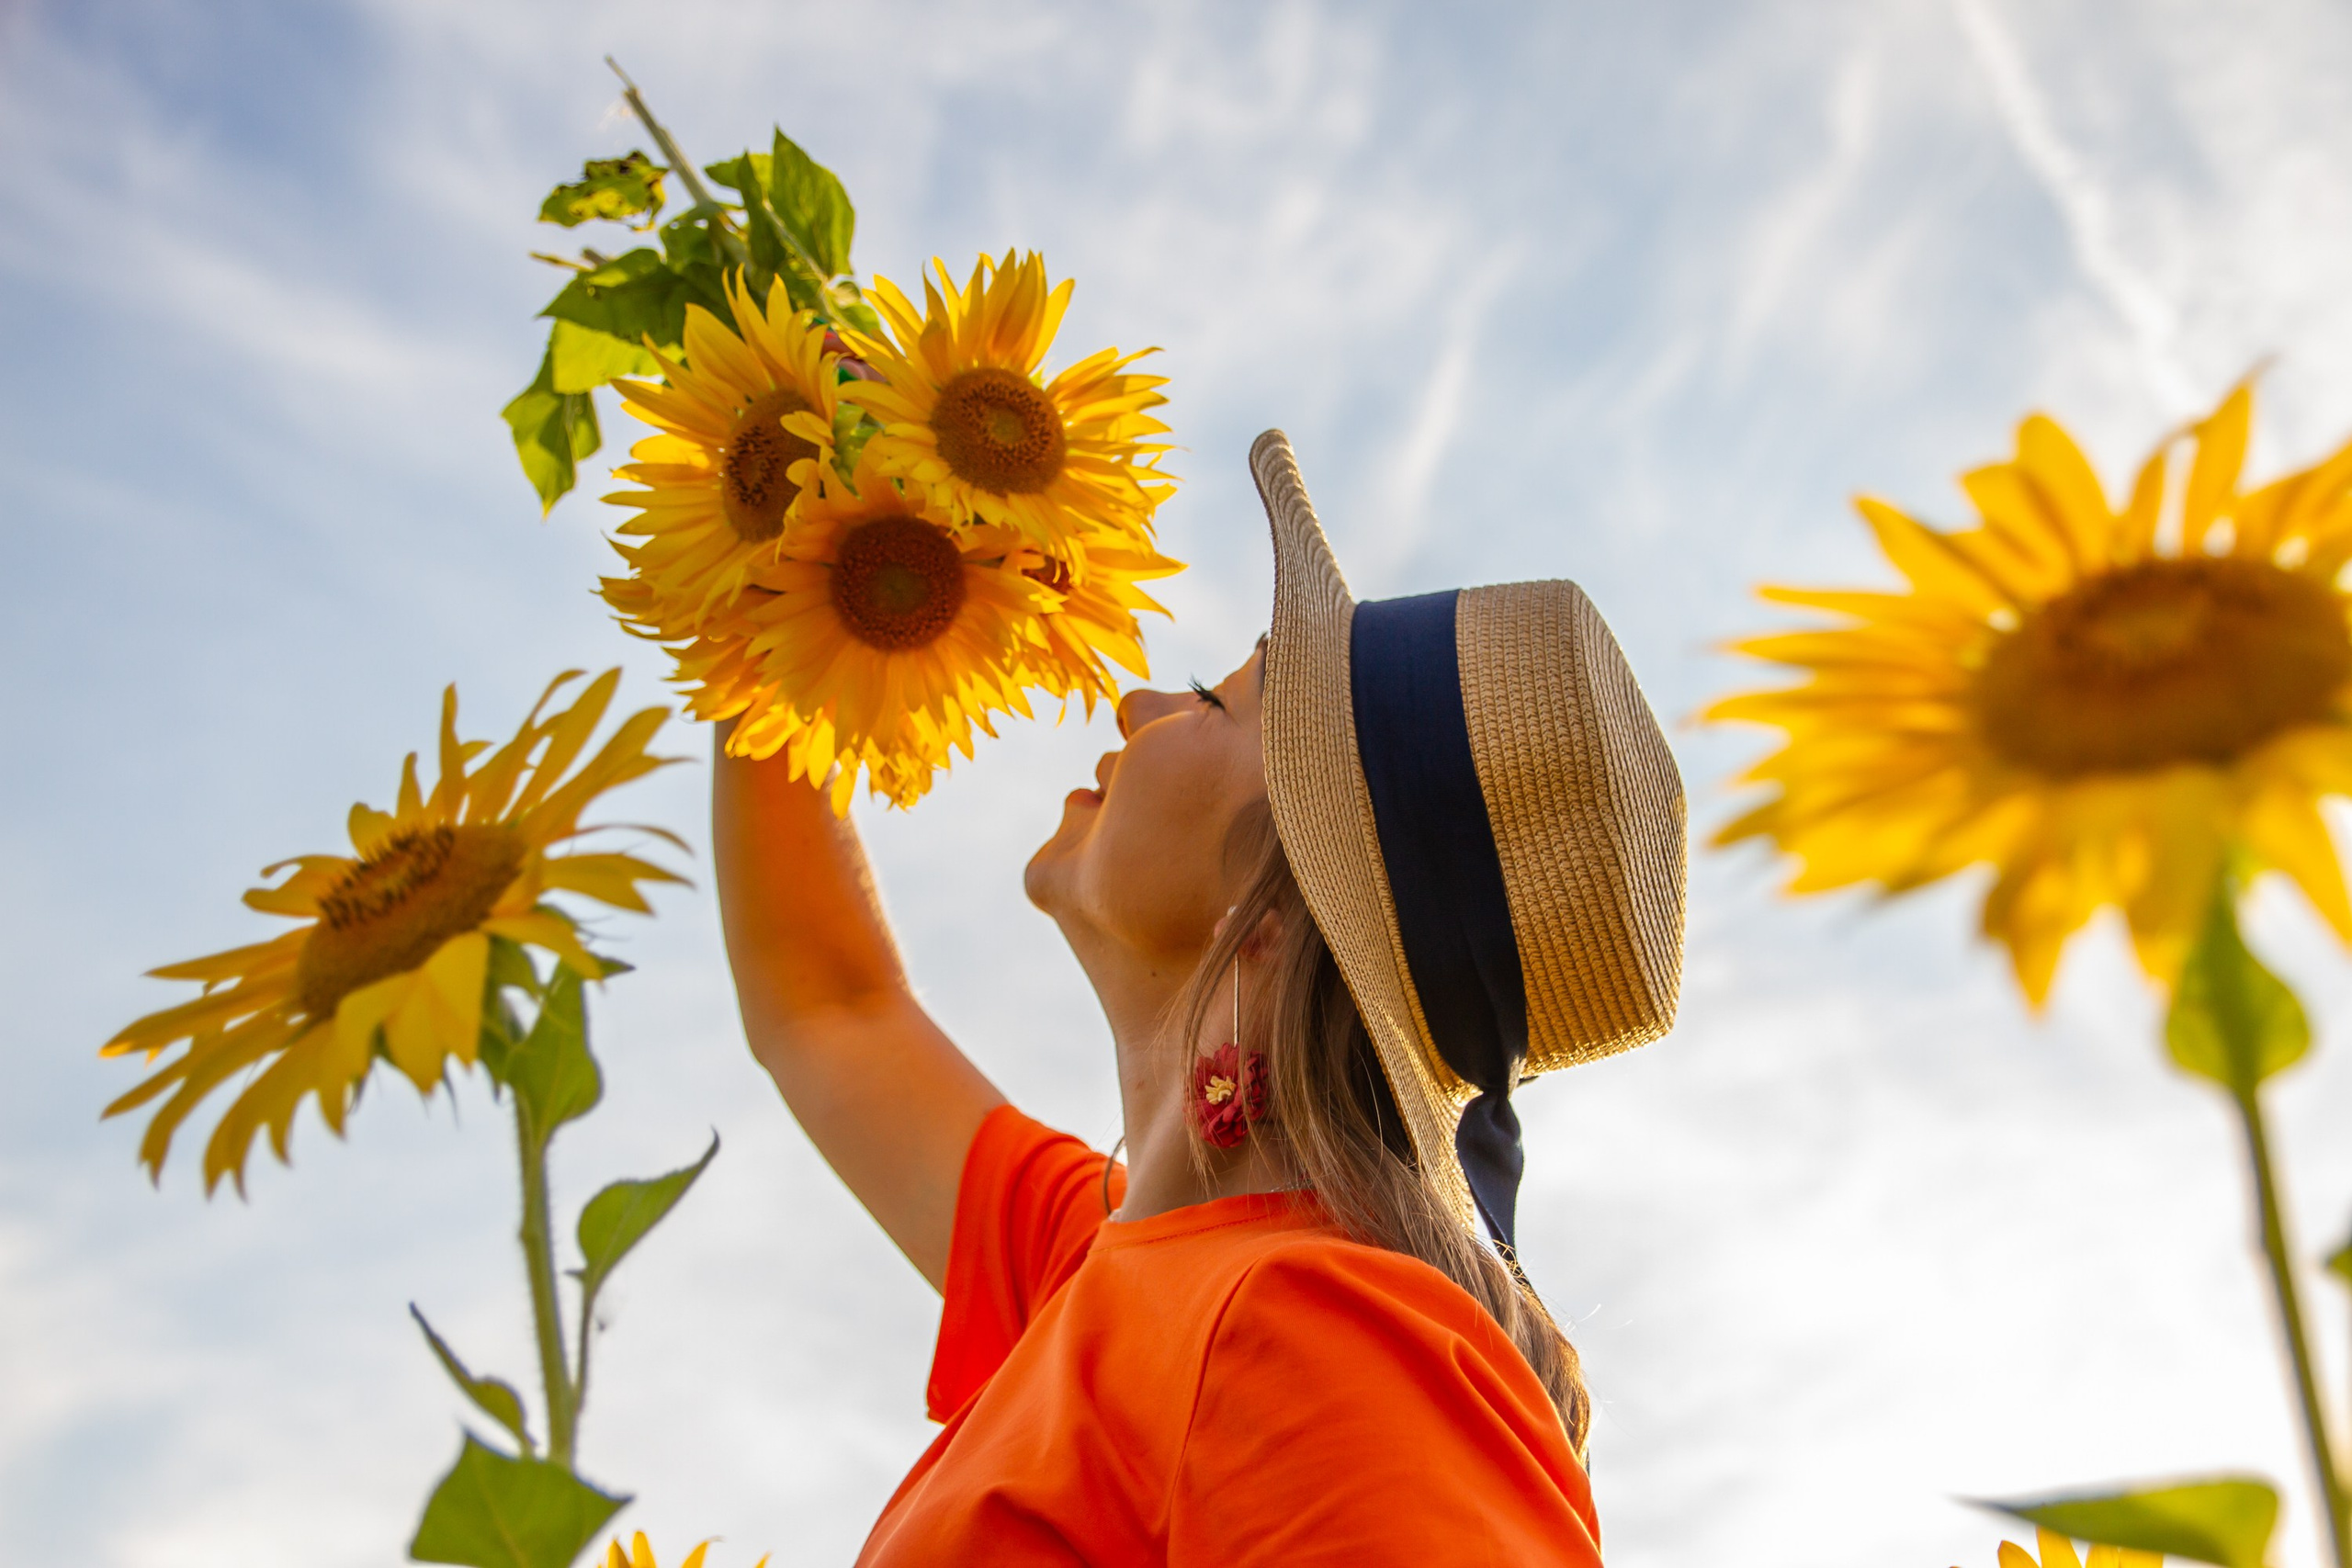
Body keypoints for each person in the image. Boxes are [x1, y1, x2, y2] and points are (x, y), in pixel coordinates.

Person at [714, 431, 1688, 1565]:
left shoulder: (1314, 1330)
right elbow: (831, 1009)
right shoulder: (1103, 1263)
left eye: (1205, 702)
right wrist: (792, 575)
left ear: (1270, 915)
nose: (1133, 704)